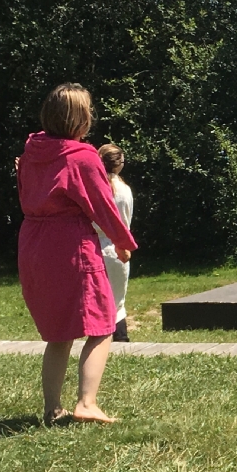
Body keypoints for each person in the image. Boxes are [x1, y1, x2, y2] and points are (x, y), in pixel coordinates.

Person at [17, 83, 137, 424]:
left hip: (33, 243)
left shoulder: (31, 152)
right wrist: (123, 242)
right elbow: (103, 206)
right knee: (101, 325)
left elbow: (26, 195)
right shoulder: (83, 157)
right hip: (71, 245)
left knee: (59, 332)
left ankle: (52, 408)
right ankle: (87, 402)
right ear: (82, 118)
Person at [94, 144, 134, 342]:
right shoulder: (125, 190)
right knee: (118, 303)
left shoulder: (94, 188)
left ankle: (100, 345)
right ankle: (121, 340)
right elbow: (127, 221)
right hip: (119, 248)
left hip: (94, 248)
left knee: (98, 303)